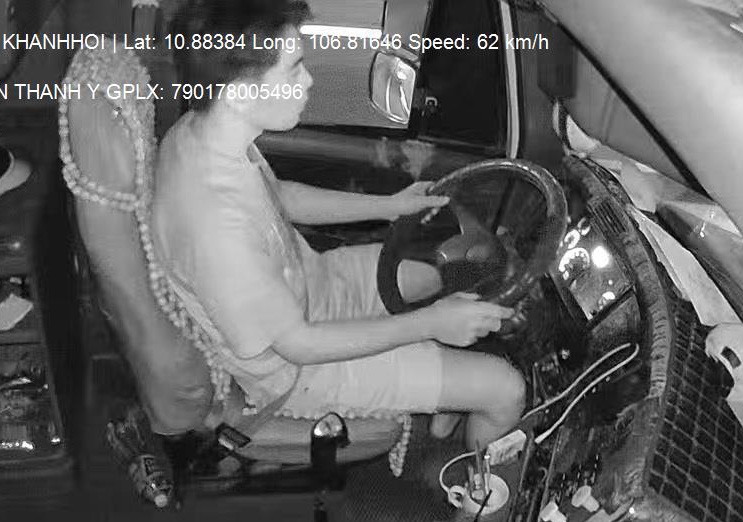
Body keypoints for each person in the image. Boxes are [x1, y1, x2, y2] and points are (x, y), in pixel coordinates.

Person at [153, 0, 526, 451]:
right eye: (294, 69)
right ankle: (470, 484)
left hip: (318, 285)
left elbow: (279, 196)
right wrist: (430, 323)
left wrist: (389, 206)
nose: (308, 80)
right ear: (241, 94)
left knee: (451, 268)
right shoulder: (215, 232)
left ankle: (449, 407)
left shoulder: (203, 132)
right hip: (305, 369)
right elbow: (300, 345)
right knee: (506, 389)